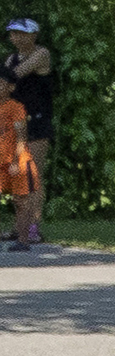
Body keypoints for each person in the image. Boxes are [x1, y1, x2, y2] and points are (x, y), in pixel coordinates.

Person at [3, 20, 51, 249]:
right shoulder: (11, 58)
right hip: (17, 123)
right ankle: (18, 227)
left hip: (38, 121)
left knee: (33, 176)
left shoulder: (41, 54)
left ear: (34, 35)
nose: (18, 38)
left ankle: (34, 227)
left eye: (23, 34)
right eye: (14, 34)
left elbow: (15, 76)